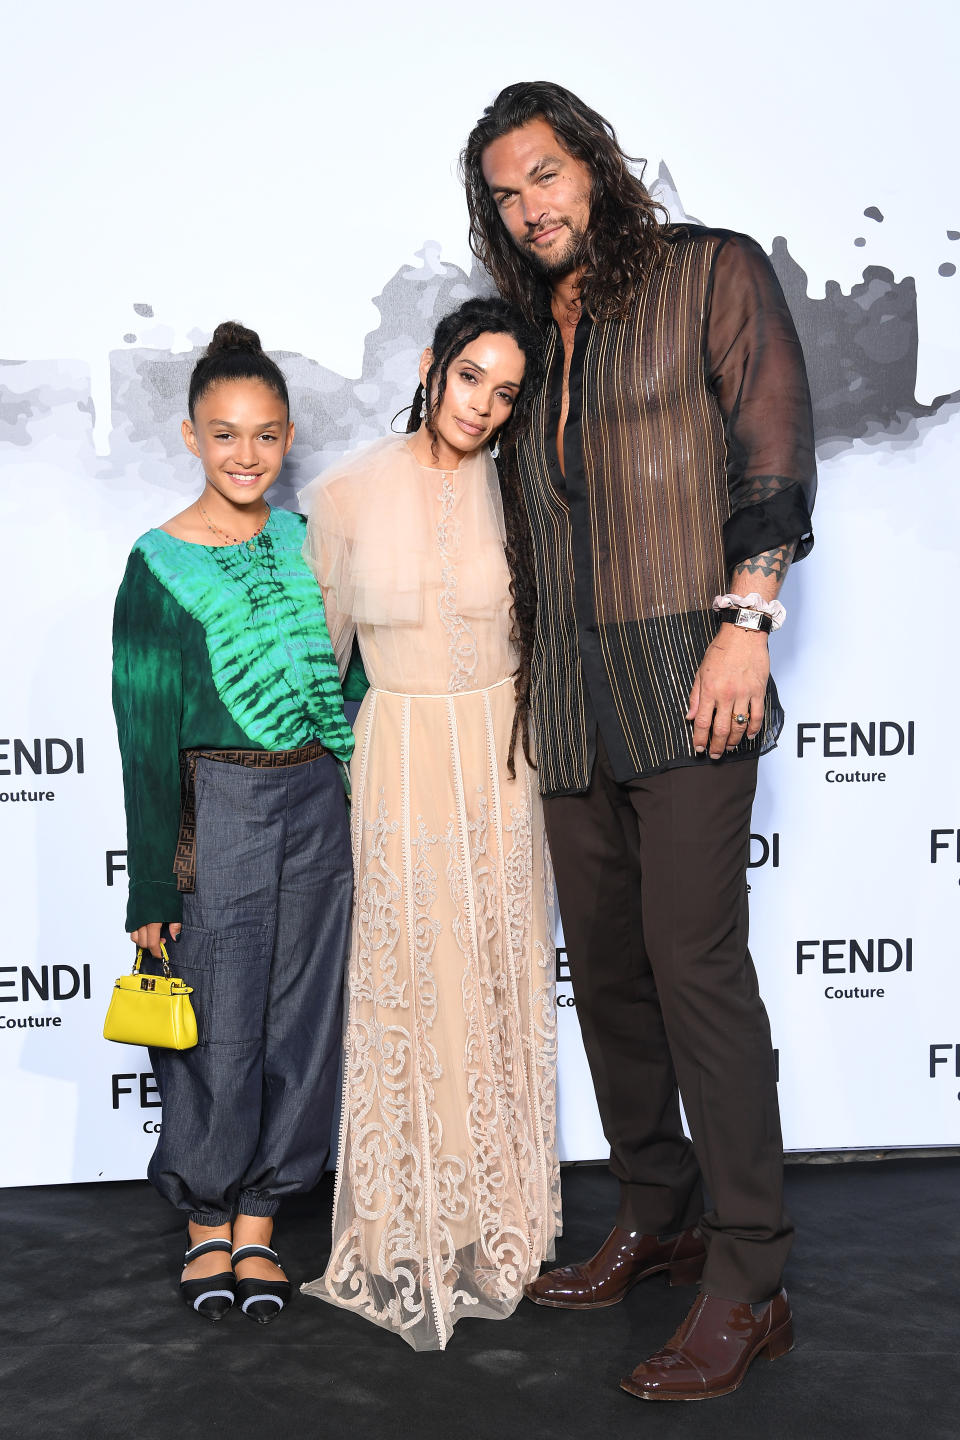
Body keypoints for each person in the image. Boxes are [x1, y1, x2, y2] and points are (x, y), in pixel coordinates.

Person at [461, 82, 816, 1400]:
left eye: (544, 173)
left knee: (694, 967)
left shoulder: (706, 272)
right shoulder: (524, 337)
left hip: (689, 670)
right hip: (565, 701)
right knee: (609, 972)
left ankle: (749, 1277)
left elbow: (772, 449)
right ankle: (655, 1215)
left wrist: (750, 618)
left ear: (594, 166)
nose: (530, 204)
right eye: (505, 191)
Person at [299, 296, 560, 1351]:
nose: (484, 407)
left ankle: (501, 1216)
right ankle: (413, 1218)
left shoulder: (528, 491)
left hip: (505, 760)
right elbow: (323, 662)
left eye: (506, 393)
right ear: (431, 365)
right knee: (415, 979)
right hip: (400, 758)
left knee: (495, 976)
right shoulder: (349, 492)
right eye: (470, 380)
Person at [112, 321, 361, 1324]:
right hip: (216, 806)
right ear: (190, 437)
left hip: (319, 803)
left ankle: (259, 1224)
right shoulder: (159, 565)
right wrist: (150, 886)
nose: (246, 455)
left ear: (288, 436)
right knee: (213, 1022)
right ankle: (204, 1220)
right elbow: (144, 733)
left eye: (263, 435)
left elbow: (354, 677)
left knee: (303, 1018)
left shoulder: (311, 544)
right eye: (224, 435)